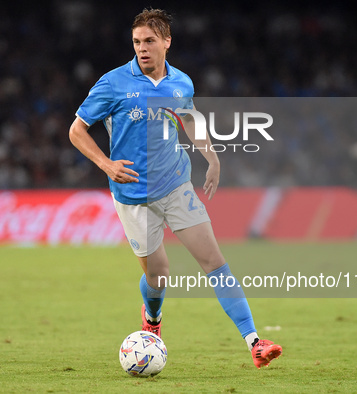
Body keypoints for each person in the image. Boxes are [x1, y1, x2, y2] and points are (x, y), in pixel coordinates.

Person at [69, 8, 282, 369]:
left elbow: (188, 118)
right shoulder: (113, 83)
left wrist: (211, 157)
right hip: (133, 197)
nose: (142, 48)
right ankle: (152, 318)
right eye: (137, 42)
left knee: (214, 262)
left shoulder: (181, 83)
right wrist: (107, 165)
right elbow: (76, 131)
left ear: (167, 41)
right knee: (158, 277)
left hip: (176, 186)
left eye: (149, 41)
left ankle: (254, 342)